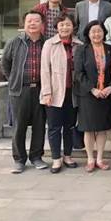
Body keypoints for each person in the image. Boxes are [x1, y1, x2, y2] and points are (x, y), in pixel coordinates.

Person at [1, 11, 48, 174]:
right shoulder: (15, 42)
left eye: (36, 21)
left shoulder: (46, 43)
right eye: (29, 21)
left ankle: (36, 157)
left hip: (41, 89)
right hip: (20, 90)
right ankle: (19, 159)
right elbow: (5, 63)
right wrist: (13, 80)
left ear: (42, 24)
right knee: (19, 126)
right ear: (24, 24)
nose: (33, 23)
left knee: (39, 125)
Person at [40, 14, 82, 173]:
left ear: (73, 27)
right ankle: (56, 158)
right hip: (55, 92)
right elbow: (45, 70)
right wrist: (46, 92)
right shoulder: (49, 44)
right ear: (57, 27)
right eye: (62, 25)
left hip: (73, 93)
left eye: (68, 24)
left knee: (70, 126)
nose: (65, 27)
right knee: (54, 127)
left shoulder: (79, 44)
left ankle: (68, 156)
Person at [73, 20, 111, 173]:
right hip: (88, 95)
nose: (96, 34)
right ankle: (90, 159)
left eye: (99, 31)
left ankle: (100, 158)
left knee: (102, 128)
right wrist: (92, 89)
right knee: (89, 129)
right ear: (88, 34)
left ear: (104, 33)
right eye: (93, 32)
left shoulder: (110, 49)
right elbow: (78, 74)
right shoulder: (82, 50)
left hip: (106, 94)